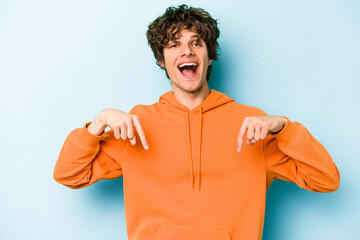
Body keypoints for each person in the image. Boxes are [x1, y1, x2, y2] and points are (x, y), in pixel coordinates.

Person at [53, 4, 340, 240]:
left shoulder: (251, 124)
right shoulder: (136, 125)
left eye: (196, 43)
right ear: (162, 60)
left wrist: (284, 128)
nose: (186, 51)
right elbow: (68, 174)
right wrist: (99, 122)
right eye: (174, 45)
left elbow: (326, 180)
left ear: (209, 56)